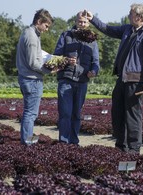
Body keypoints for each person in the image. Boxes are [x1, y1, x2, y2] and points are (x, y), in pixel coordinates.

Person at [84, 3, 143, 154]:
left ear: (139, 16)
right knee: (117, 113)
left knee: (132, 116)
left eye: (131, 13)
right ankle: (120, 146)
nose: (128, 15)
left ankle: (133, 149)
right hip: (122, 79)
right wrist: (93, 19)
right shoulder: (127, 29)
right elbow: (108, 29)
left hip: (136, 81)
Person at [53, 12, 100, 145]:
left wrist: (94, 71)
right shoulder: (66, 35)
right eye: (80, 21)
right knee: (65, 113)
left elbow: (96, 62)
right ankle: (64, 142)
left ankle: (74, 143)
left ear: (88, 23)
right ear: (76, 21)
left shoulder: (92, 40)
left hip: (82, 81)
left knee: (76, 115)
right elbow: (55, 57)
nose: (82, 24)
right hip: (66, 79)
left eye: (85, 22)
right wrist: (67, 61)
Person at [16, 8, 56, 145]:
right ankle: (28, 143)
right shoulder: (32, 37)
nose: (46, 29)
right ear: (39, 21)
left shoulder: (28, 32)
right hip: (32, 80)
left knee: (29, 112)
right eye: (46, 26)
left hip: (26, 78)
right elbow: (33, 63)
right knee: (31, 114)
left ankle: (26, 141)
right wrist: (50, 70)